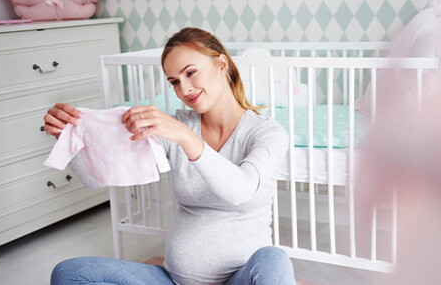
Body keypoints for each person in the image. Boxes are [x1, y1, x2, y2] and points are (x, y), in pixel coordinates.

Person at [45, 27, 295, 285]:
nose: (184, 89)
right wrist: (68, 137)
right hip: (175, 280)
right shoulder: (176, 128)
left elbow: (239, 191)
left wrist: (186, 137)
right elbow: (95, 180)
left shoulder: (266, 132)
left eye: (190, 73)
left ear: (221, 64)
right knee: (70, 272)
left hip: (238, 281)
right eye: (175, 81)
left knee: (273, 259)